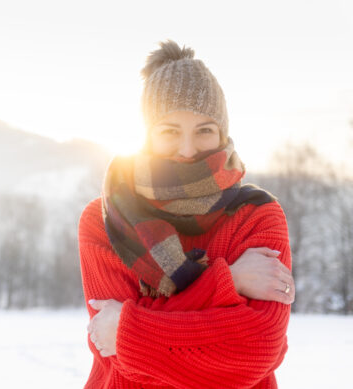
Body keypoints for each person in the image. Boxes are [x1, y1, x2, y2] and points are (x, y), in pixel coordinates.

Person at [78, 40, 295, 389]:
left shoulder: (257, 214)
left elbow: (257, 350)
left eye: (204, 130)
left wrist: (131, 329)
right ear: (147, 135)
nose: (188, 149)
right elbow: (117, 357)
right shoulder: (107, 218)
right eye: (170, 131)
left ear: (222, 133)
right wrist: (230, 281)